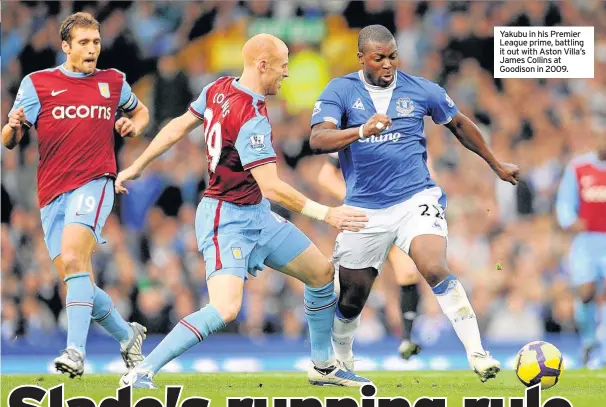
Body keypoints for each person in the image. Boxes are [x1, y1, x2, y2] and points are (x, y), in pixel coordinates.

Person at [116, 34, 372, 389]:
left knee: (320, 273)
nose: (286, 75)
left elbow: (177, 125)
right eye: (283, 67)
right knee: (225, 308)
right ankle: (143, 369)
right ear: (262, 65)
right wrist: (327, 214)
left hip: (256, 213)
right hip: (227, 217)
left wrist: (138, 164)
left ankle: (323, 366)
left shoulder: (218, 88)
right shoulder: (251, 117)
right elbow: (272, 185)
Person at [309, 25, 519, 382]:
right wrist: (361, 131)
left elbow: (459, 124)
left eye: (392, 56)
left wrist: (495, 163)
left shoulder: (421, 89)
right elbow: (317, 139)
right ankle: (342, 359)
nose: (388, 65)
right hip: (365, 209)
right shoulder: (340, 91)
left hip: (415, 198)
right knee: (352, 298)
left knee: (433, 265)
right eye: (379, 58)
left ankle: (478, 353)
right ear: (362, 58)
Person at [2, 12, 150, 378]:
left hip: (96, 181)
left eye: (96, 42)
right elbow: (9, 141)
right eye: (83, 43)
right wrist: (13, 126)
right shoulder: (37, 84)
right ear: (66, 46)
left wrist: (134, 125)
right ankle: (127, 335)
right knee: (74, 274)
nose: (91, 49)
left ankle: (75, 352)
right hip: (52, 191)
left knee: (73, 257)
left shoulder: (113, 82)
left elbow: (141, 111)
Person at [318, 153, 422, 360]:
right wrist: (360, 201)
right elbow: (325, 177)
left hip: (393, 214)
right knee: (350, 286)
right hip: (364, 219)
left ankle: (406, 338)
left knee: (409, 273)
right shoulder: (349, 131)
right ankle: (327, 342)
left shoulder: (399, 134)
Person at [555, 131, 606, 367]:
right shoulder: (578, 167)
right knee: (585, 292)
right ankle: (588, 340)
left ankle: (603, 348)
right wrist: (569, 220)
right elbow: (565, 202)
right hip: (586, 241)